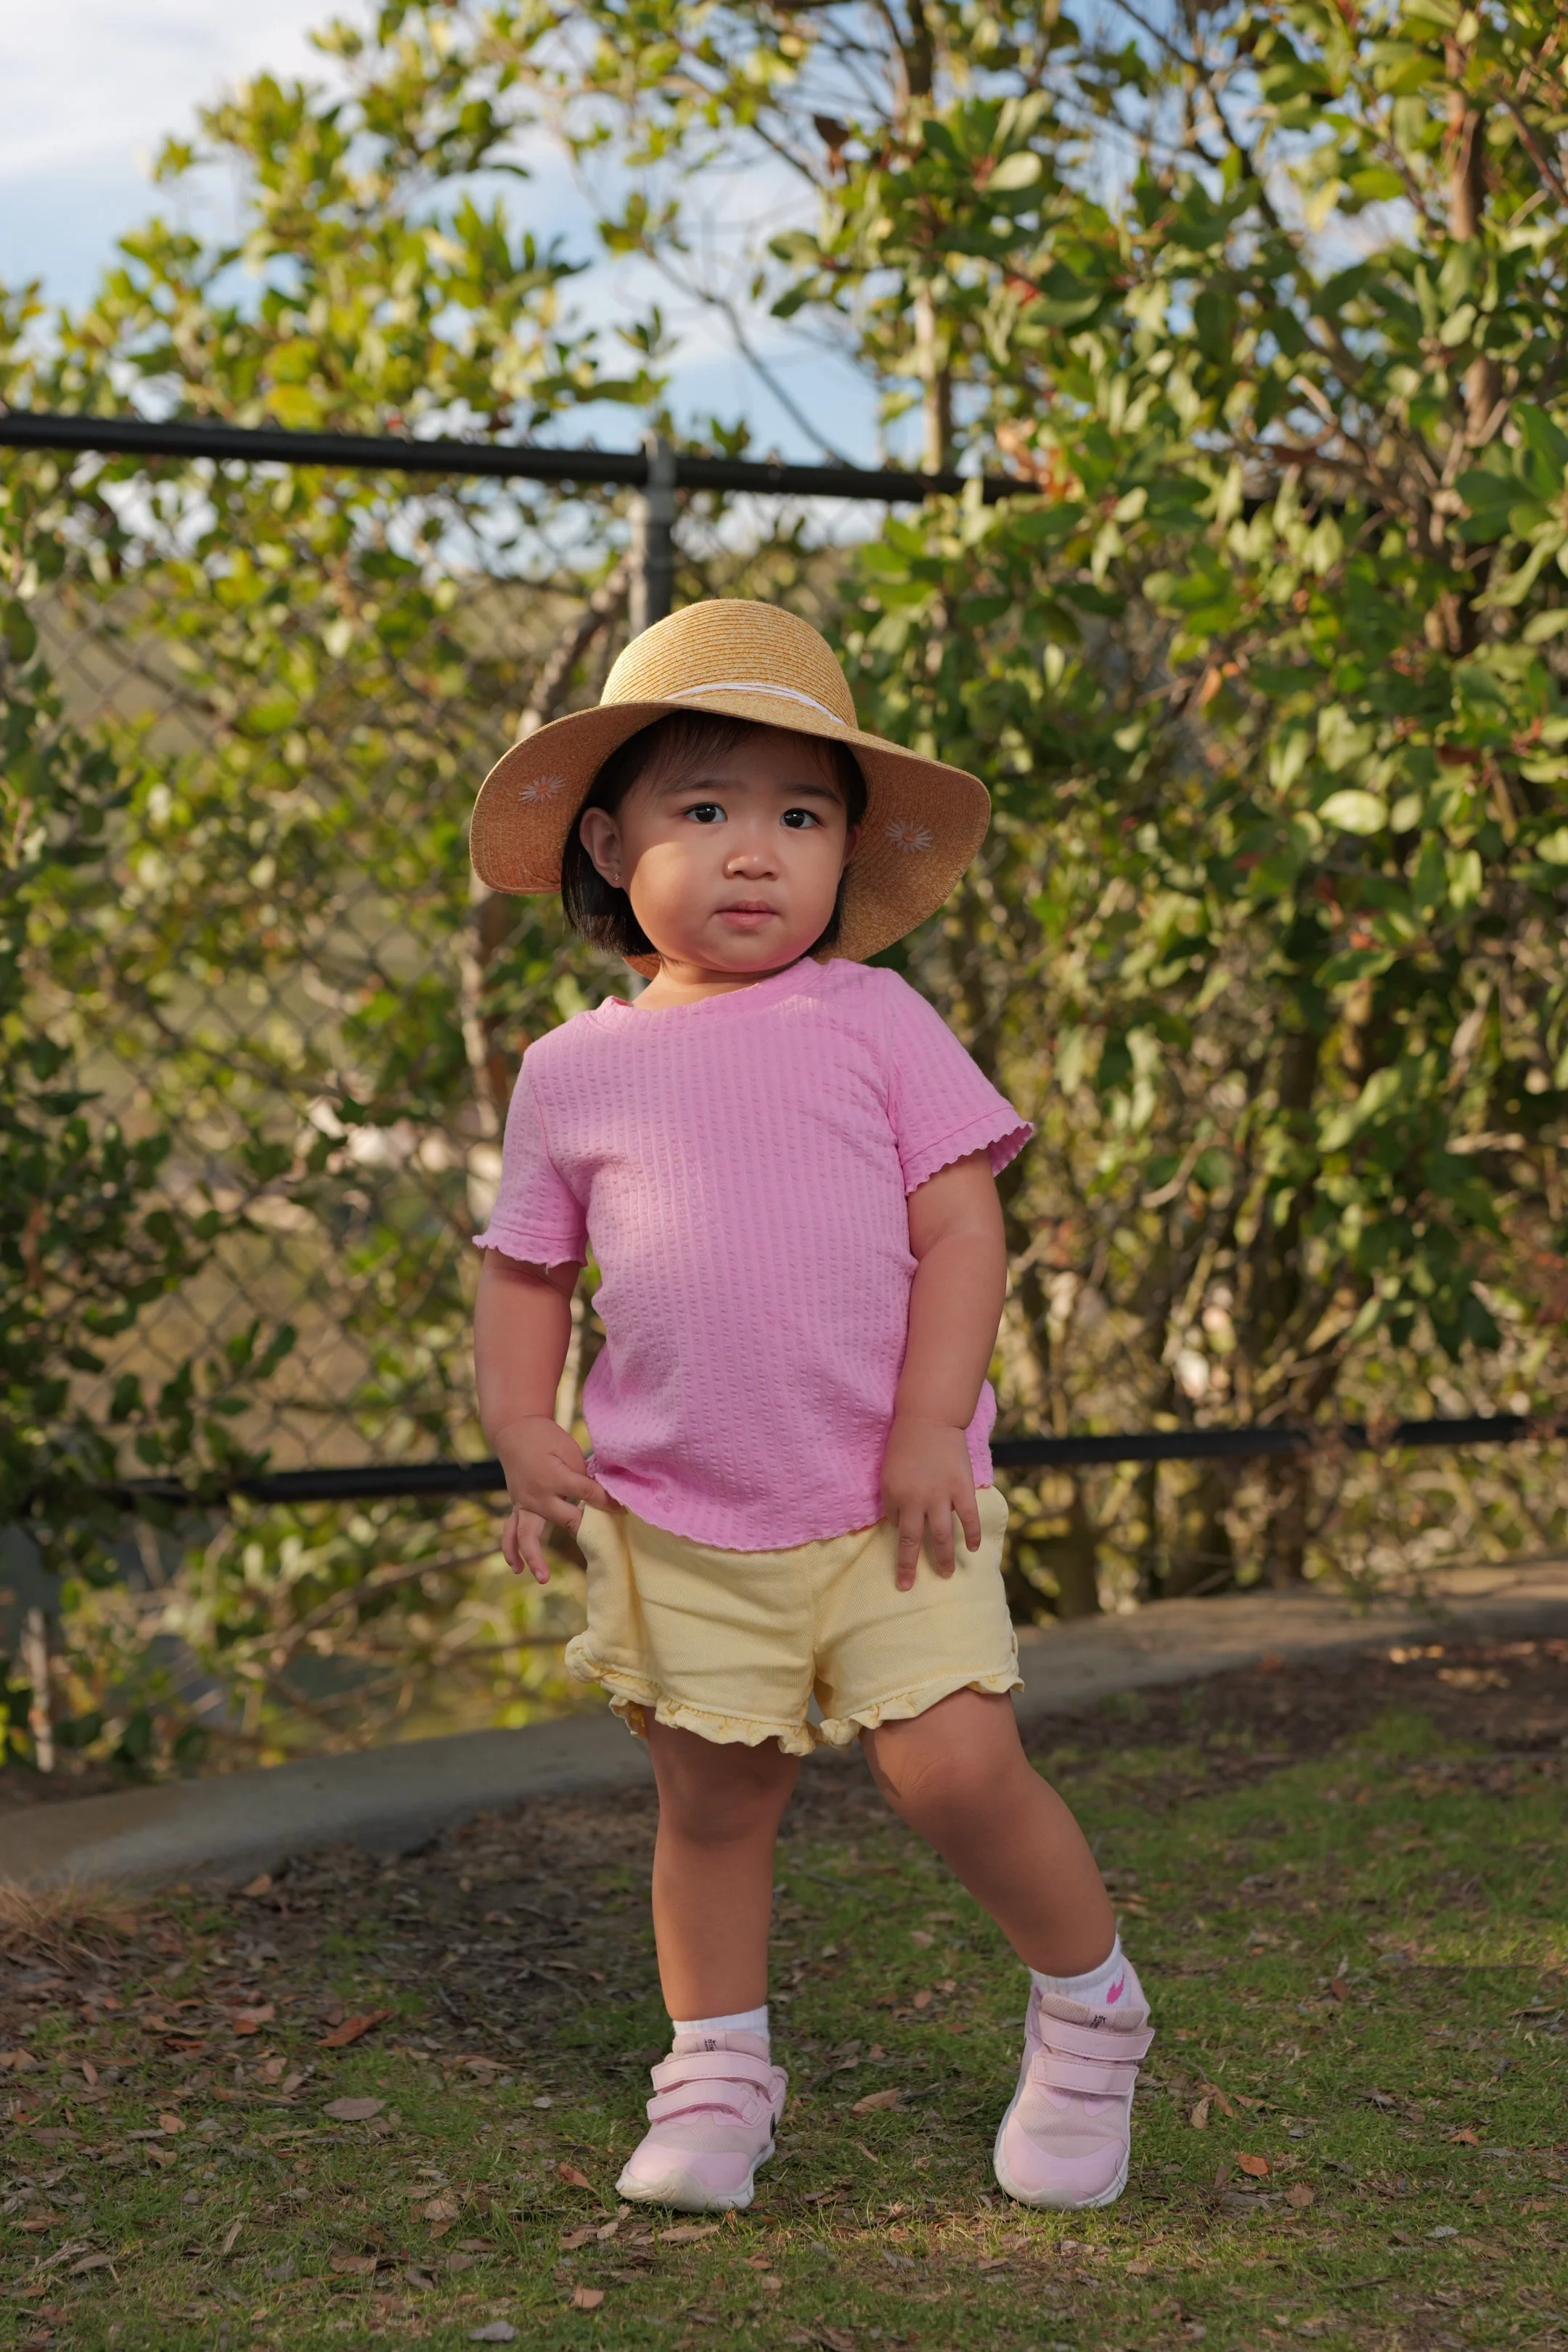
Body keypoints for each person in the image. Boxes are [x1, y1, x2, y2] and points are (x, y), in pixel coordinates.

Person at [469, 599, 1151, 2215]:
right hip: (677, 1510)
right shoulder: (575, 1069)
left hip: (888, 1500)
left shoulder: (876, 1022)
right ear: (609, 840)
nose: (758, 851)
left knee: (954, 1770)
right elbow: (525, 1277)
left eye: (802, 813)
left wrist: (932, 1426)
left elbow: (961, 1226)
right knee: (715, 1799)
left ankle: (1091, 2010)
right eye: (706, 810)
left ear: (849, 851)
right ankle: (715, 2076)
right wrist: (520, 1426)